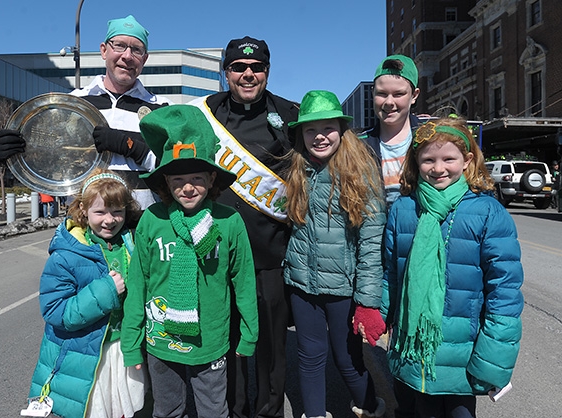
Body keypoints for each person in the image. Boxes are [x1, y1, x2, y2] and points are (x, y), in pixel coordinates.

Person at [121, 105, 259, 417]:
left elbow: (243, 281)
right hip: (161, 341)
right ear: (165, 182)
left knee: (214, 411)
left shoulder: (229, 221)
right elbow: (138, 282)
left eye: (197, 177)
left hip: (211, 339)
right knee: (168, 411)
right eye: (178, 178)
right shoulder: (152, 221)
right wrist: (131, 342)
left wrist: (250, 332)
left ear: (212, 179)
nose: (187, 187)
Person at [380, 117, 524, 418]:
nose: (438, 168)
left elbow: (505, 290)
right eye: (428, 159)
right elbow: (391, 273)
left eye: (449, 159)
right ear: (415, 161)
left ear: (467, 160)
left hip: (462, 351)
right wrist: (378, 314)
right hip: (410, 349)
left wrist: (494, 356)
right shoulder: (404, 209)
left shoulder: (487, 212)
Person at [190, 35, 299, 418]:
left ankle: (268, 412)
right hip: (216, 257)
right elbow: (159, 140)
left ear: (267, 72)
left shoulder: (291, 115)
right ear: (226, 72)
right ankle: (233, 411)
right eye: (239, 67)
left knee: (270, 348)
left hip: (270, 257)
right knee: (225, 344)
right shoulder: (204, 113)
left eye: (257, 67)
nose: (248, 74)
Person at [0, 15, 172, 209]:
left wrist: (131, 147)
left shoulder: (162, 109)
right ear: (104, 50)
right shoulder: (73, 104)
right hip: (85, 228)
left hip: (145, 229)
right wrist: (12, 153)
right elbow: (51, 156)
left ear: (144, 59)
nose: (127, 56)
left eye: (136, 49)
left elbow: (175, 172)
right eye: (119, 45)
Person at [282, 90, 387, 418]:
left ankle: (371, 406)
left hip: (343, 288)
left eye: (327, 128)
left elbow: (371, 244)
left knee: (347, 359)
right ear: (301, 134)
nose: (319, 136)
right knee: (309, 356)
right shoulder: (295, 170)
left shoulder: (360, 171)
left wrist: (368, 301)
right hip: (302, 285)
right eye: (310, 130)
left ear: (341, 130)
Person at [26, 168, 145, 418]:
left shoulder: (132, 244)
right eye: (100, 212)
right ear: (83, 210)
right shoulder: (66, 254)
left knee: (129, 410)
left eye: (117, 212)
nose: (109, 220)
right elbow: (55, 311)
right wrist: (106, 291)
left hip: (125, 350)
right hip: (88, 357)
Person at [359, 54, 421, 210]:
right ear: (372, 93)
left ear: (414, 96)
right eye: (382, 94)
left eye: (398, 94)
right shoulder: (357, 146)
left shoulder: (434, 139)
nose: (389, 102)